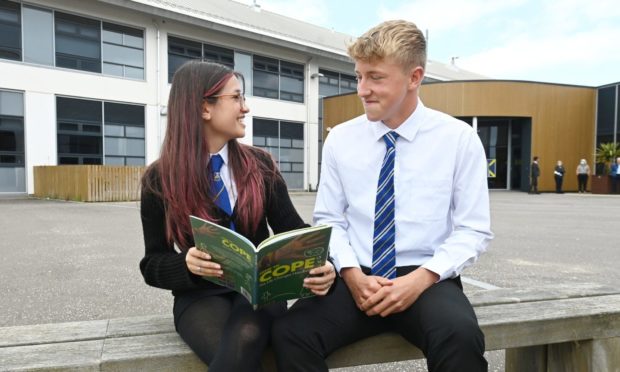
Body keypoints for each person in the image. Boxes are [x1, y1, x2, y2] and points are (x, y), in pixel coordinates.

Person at [272, 20, 493, 372]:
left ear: (414, 78)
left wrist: (420, 279)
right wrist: (351, 274)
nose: (363, 89)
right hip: (356, 276)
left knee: (460, 336)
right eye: (359, 76)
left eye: (375, 77)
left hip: (426, 276)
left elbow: (473, 230)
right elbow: (329, 219)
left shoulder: (458, 139)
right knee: (290, 333)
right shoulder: (341, 139)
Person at [139, 61, 335, 371]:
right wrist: (186, 264)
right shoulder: (159, 179)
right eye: (236, 98)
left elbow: (294, 230)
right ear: (205, 108)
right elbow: (152, 263)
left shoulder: (261, 166)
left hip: (261, 291)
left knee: (247, 333)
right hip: (199, 295)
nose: (245, 108)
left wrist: (323, 262)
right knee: (236, 356)